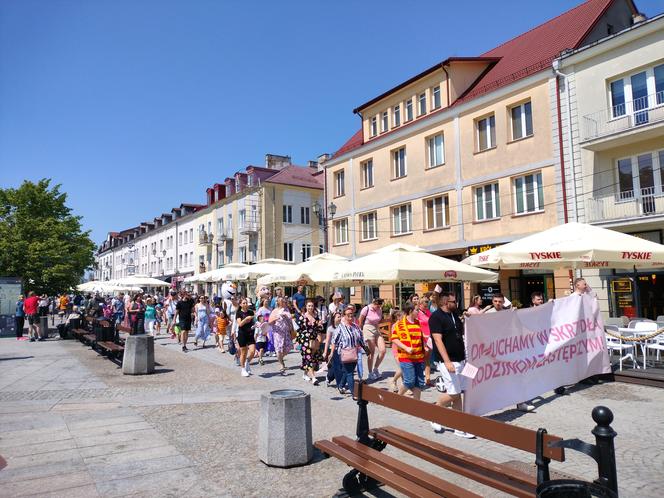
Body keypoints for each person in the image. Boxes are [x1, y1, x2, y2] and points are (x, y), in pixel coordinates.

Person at [429, 292, 474, 438]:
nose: (457, 303)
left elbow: (458, 334)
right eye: (454, 301)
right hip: (448, 361)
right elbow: (438, 340)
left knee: (459, 392)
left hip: (460, 359)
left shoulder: (455, 314)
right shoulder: (436, 318)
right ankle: (434, 411)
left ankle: (459, 427)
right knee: (453, 393)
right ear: (445, 303)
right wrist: (447, 361)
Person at [391, 303, 426, 400]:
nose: (418, 312)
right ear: (410, 311)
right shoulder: (401, 324)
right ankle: (397, 399)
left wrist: (425, 345)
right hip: (406, 358)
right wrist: (406, 348)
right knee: (409, 381)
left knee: (419, 382)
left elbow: (420, 337)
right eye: (417, 310)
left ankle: (417, 404)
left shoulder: (417, 322)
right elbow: (394, 338)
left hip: (418, 357)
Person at [329, 304, 366, 395]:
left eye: (352, 314)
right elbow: (334, 341)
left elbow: (361, 339)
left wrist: (367, 349)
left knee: (347, 372)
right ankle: (354, 393)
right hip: (344, 353)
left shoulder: (356, 327)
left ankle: (341, 386)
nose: (350, 316)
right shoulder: (340, 328)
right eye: (348, 314)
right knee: (350, 373)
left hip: (354, 352)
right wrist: (331, 353)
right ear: (344, 316)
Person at [296, 299, 324, 385]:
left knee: (313, 357)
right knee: (308, 357)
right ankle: (313, 378)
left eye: (312, 306)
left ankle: (305, 374)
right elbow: (299, 330)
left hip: (314, 339)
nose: (310, 307)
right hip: (305, 339)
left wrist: (320, 326)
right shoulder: (302, 317)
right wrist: (298, 341)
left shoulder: (316, 317)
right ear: (306, 306)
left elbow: (319, 329)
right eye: (309, 306)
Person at [358, 298, 386, 381]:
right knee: (371, 352)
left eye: (380, 306)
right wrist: (360, 332)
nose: (378, 307)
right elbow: (360, 320)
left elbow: (380, 320)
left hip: (376, 328)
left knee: (383, 350)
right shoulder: (366, 309)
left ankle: (375, 369)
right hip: (367, 328)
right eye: (377, 306)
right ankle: (370, 373)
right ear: (373, 303)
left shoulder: (379, 309)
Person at [268, 296, 294, 374]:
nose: (284, 303)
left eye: (285, 301)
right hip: (278, 332)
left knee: (288, 347)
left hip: (286, 332)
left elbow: (290, 321)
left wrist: (292, 329)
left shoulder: (286, 310)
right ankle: (281, 364)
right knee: (279, 349)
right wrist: (276, 318)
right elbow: (269, 322)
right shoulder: (275, 311)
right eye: (282, 301)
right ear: (278, 303)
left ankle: (280, 359)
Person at [236, 297, 256, 377]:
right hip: (242, 334)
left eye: (246, 303)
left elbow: (255, 321)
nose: (245, 304)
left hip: (250, 334)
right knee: (243, 353)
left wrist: (256, 325)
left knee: (252, 351)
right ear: (240, 305)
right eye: (243, 303)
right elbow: (240, 324)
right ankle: (243, 369)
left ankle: (247, 362)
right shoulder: (239, 313)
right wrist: (246, 319)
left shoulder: (250, 312)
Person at [323, 311, 343, 388]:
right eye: (338, 317)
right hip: (333, 350)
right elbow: (327, 341)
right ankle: (329, 377)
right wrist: (325, 352)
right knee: (336, 367)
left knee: (341, 366)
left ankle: (340, 382)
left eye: (340, 316)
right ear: (333, 319)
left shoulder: (343, 327)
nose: (340, 318)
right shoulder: (330, 328)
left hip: (343, 349)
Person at [417, 295, 433, 385]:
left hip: (429, 338)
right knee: (420, 360)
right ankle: (419, 380)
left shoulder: (428, 312)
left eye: (428, 302)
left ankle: (428, 379)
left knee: (427, 360)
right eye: (426, 302)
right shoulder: (417, 313)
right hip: (421, 338)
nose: (428, 303)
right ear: (421, 303)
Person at [388, 308, 405, 392]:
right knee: (403, 367)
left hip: (404, 349)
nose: (405, 317)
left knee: (403, 367)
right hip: (397, 349)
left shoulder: (404, 324)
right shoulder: (395, 325)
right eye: (403, 316)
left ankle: (403, 386)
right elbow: (396, 338)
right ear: (398, 317)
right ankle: (393, 380)